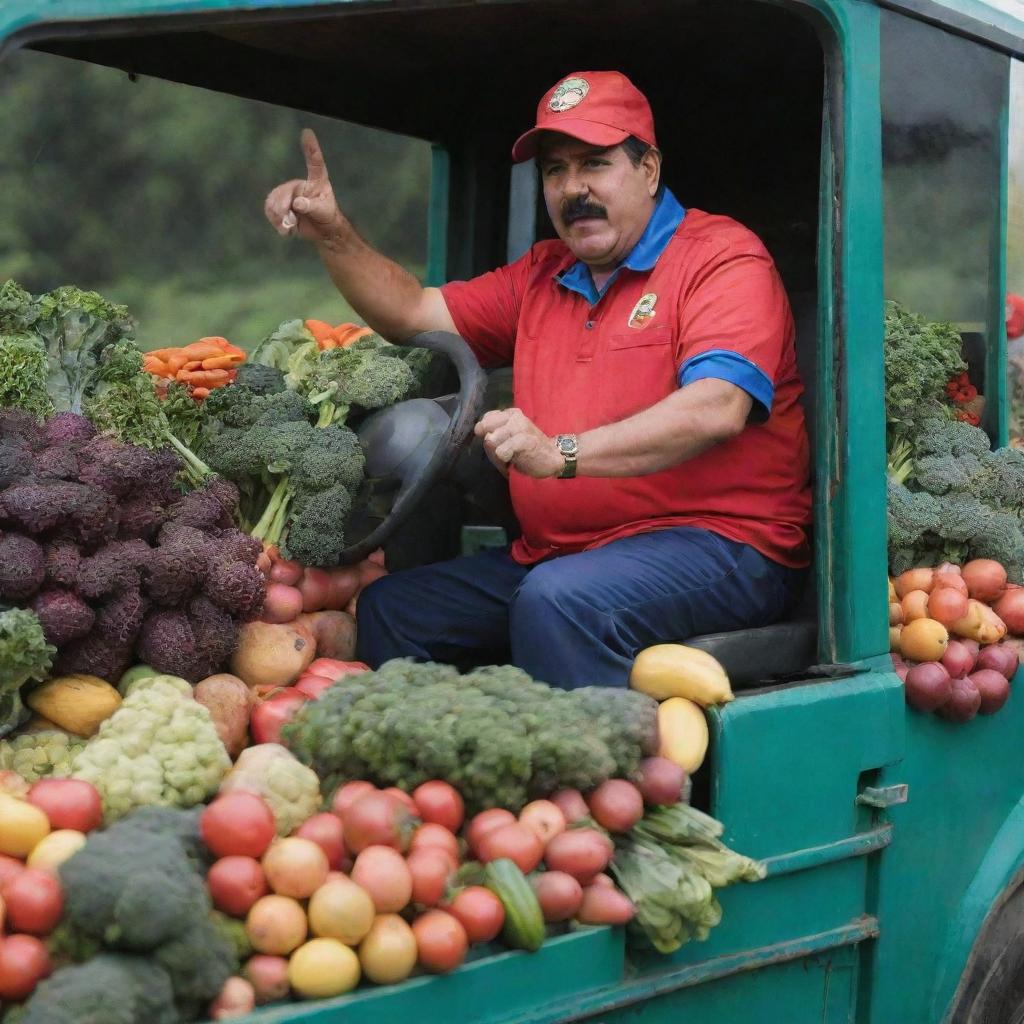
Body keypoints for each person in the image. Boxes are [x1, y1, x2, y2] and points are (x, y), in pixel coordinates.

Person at [264, 70, 812, 688]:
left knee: (558, 601)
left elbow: (717, 408)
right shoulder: (542, 275)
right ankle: (433, 781)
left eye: (595, 164)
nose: (573, 189)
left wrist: (561, 454)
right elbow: (413, 312)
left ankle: (590, 781)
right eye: (555, 171)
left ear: (650, 170)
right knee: (398, 609)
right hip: (564, 554)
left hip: (721, 547)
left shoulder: (720, 258)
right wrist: (334, 234)